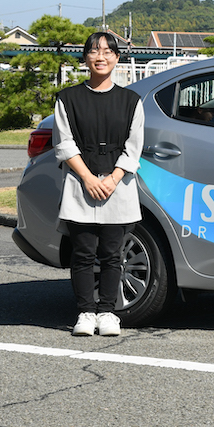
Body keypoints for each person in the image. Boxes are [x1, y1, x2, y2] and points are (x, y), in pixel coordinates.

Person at [53, 32, 144, 336]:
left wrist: (113, 178)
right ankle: (84, 313)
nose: (100, 57)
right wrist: (89, 179)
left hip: (117, 188)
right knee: (82, 252)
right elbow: (64, 144)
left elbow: (134, 148)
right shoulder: (68, 99)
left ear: (117, 58)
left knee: (112, 253)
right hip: (81, 184)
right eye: (94, 51)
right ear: (85, 58)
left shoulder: (131, 101)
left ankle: (108, 312)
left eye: (107, 51)